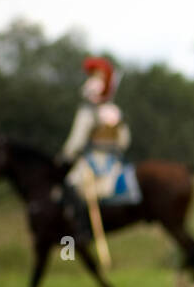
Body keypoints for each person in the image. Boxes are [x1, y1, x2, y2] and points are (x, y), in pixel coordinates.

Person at [57, 56, 139, 236]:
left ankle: (79, 228)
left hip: (92, 162)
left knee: (68, 184)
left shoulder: (88, 111)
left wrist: (65, 155)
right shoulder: (116, 112)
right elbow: (125, 141)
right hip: (114, 162)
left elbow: (77, 140)